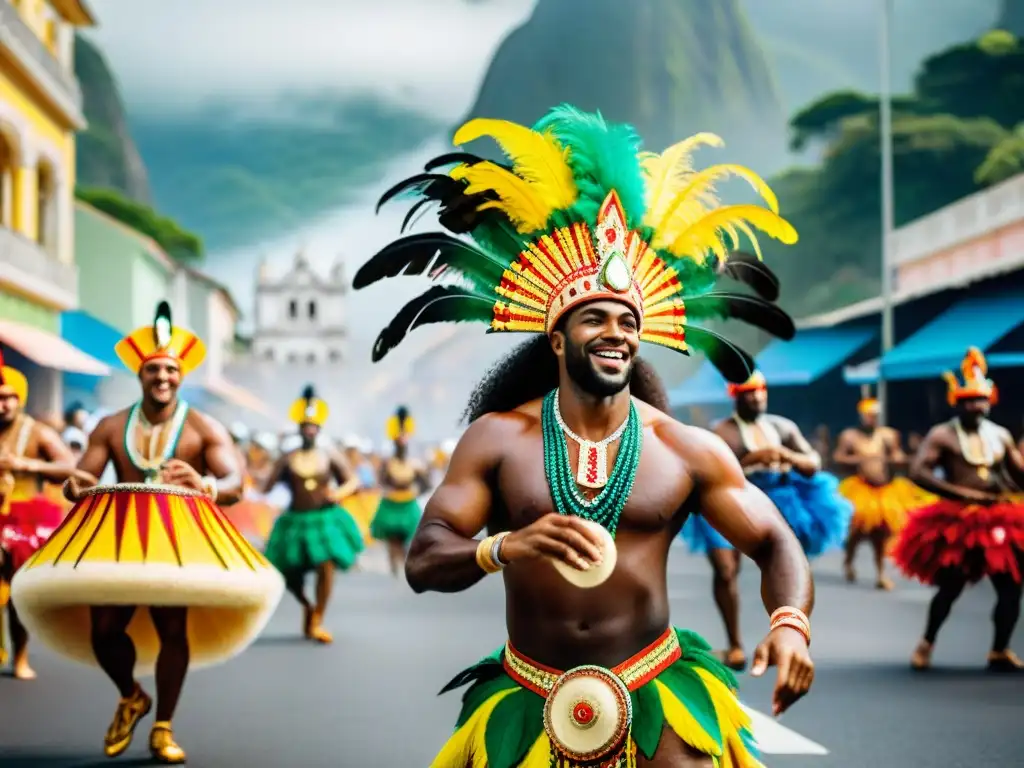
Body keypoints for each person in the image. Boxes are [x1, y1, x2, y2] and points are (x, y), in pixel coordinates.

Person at [354, 105, 813, 767]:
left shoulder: (684, 447)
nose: (616, 333)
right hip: (528, 695)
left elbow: (774, 539)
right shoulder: (498, 440)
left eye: (627, 321)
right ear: (557, 335)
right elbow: (425, 561)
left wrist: (790, 625)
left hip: (655, 687)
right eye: (594, 317)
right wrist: (505, 546)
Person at [10, 302, 284, 763]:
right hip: (120, 537)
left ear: (181, 375)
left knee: (172, 627)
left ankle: (163, 727)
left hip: (180, 540)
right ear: (140, 374)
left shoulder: (202, 427)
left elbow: (237, 483)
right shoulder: (111, 426)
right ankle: (132, 695)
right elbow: (83, 476)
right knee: (104, 630)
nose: (162, 377)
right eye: (154, 369)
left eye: (171, 370)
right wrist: (77, 486)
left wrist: (208, 485)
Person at [680, 371, 851, 671]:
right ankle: (735, 644)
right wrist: (752, 461)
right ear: (735, 396)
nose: (756, 397)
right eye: (749, 393)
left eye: (760, 392)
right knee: (724, 569)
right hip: (731, 498)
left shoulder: (782, 427)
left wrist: (786, 455)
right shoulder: (721, 432)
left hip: (780, 497)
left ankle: (788, 635)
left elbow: (813, 463)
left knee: (784, 563)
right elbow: (711, 473)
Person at [892, 348, 1024, 672]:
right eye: (967, 400)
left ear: (990, 400)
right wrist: (961, 494)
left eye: (979, 400)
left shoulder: (1001, 436)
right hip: (958, 521)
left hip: (998, 518)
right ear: (957, 401)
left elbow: (1018, 474)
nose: (974, 406)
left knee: (1011, 588)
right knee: (951, 587)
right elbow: (918, 472)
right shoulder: (943, 434)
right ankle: (926, 642)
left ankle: (999, 649)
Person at [0, 348, 92, 679]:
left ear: (20, 399)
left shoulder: (36, 432)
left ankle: (20, 658)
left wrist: (27, 464)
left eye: (10, 397)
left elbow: (70, 467)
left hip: (24, 522)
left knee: (17, 593)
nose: (4, 404)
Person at [262, 385, 364, 644]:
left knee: (325, 566)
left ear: (319, 429)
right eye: (305, 425)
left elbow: (352, 480)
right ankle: (307, 604)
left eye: (313, 425)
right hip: (295, 522)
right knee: (286, 574)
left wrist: (339, 493)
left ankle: (318, 617)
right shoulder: (287, 458)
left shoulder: (330, 455)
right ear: (299, 428)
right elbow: (267, 486)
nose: (309, 429)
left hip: (324, 521)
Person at [833, 392, 933, 590]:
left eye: (875, 414)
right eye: (868, 414)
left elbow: (898, 456)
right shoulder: (850, 436)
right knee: (856, 533)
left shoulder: (888, 435)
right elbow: (838, 458)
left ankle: (880, 573)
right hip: (861, 489)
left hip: (884, 490)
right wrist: (860, 460)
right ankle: (849, 561)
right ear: (861, 415)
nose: (872, 418)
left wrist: (901, 458)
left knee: (881, 534)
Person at [369, 407, 429, 578]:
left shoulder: (415, 463)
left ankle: (404, 562)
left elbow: (426, 483)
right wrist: (385, 489)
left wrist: (417, 490)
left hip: (408, 505)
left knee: (408, 539)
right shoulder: (387, 463)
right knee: (392, 539)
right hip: (390, 505)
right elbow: (380, 481)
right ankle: (394, 565)